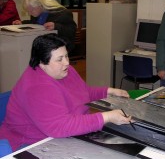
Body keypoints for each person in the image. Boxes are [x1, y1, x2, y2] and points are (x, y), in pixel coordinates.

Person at [0, 33, 132, 152]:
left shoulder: (63, 71)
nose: (67, 62)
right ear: (42, 63)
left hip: (65, 133)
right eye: (59, 59)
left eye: (66, 56)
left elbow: (84, 93)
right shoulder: (36, 87)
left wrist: (109, 91)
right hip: (32, 143)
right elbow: (60, 127)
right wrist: (106, 117)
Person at [13, 0, 77, 52]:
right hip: (46, 45)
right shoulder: (37, 12)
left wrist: (56, 26)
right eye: (28, 11)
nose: (30, 13)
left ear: (40, 5)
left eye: (32, 10)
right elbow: (35, 23)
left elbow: (72, 30)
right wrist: (22, 23)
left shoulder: (62, 13)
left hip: (61, 46)